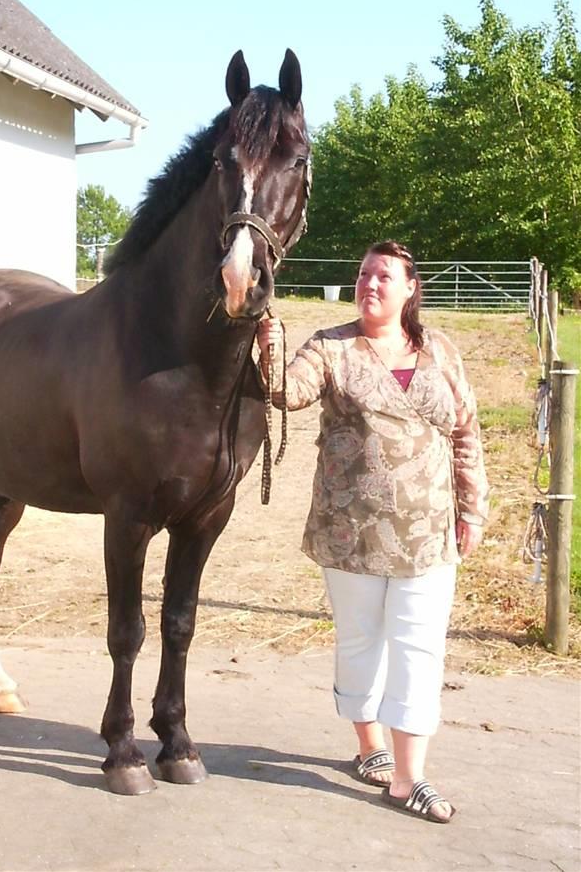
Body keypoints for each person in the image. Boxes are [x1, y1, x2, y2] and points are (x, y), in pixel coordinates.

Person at [256, 240, 489, 824]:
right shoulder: (331, 348)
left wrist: (472, 510)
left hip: (428, 531)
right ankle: (370, 750)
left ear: (410, 288)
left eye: (384, 276)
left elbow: (466, 433)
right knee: (361, 641)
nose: (371, 284)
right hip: (351, 532)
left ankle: (409, 779)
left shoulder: (439, 350)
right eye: (364, 275)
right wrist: (270, 345)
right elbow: (288, 392)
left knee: (419, 647)